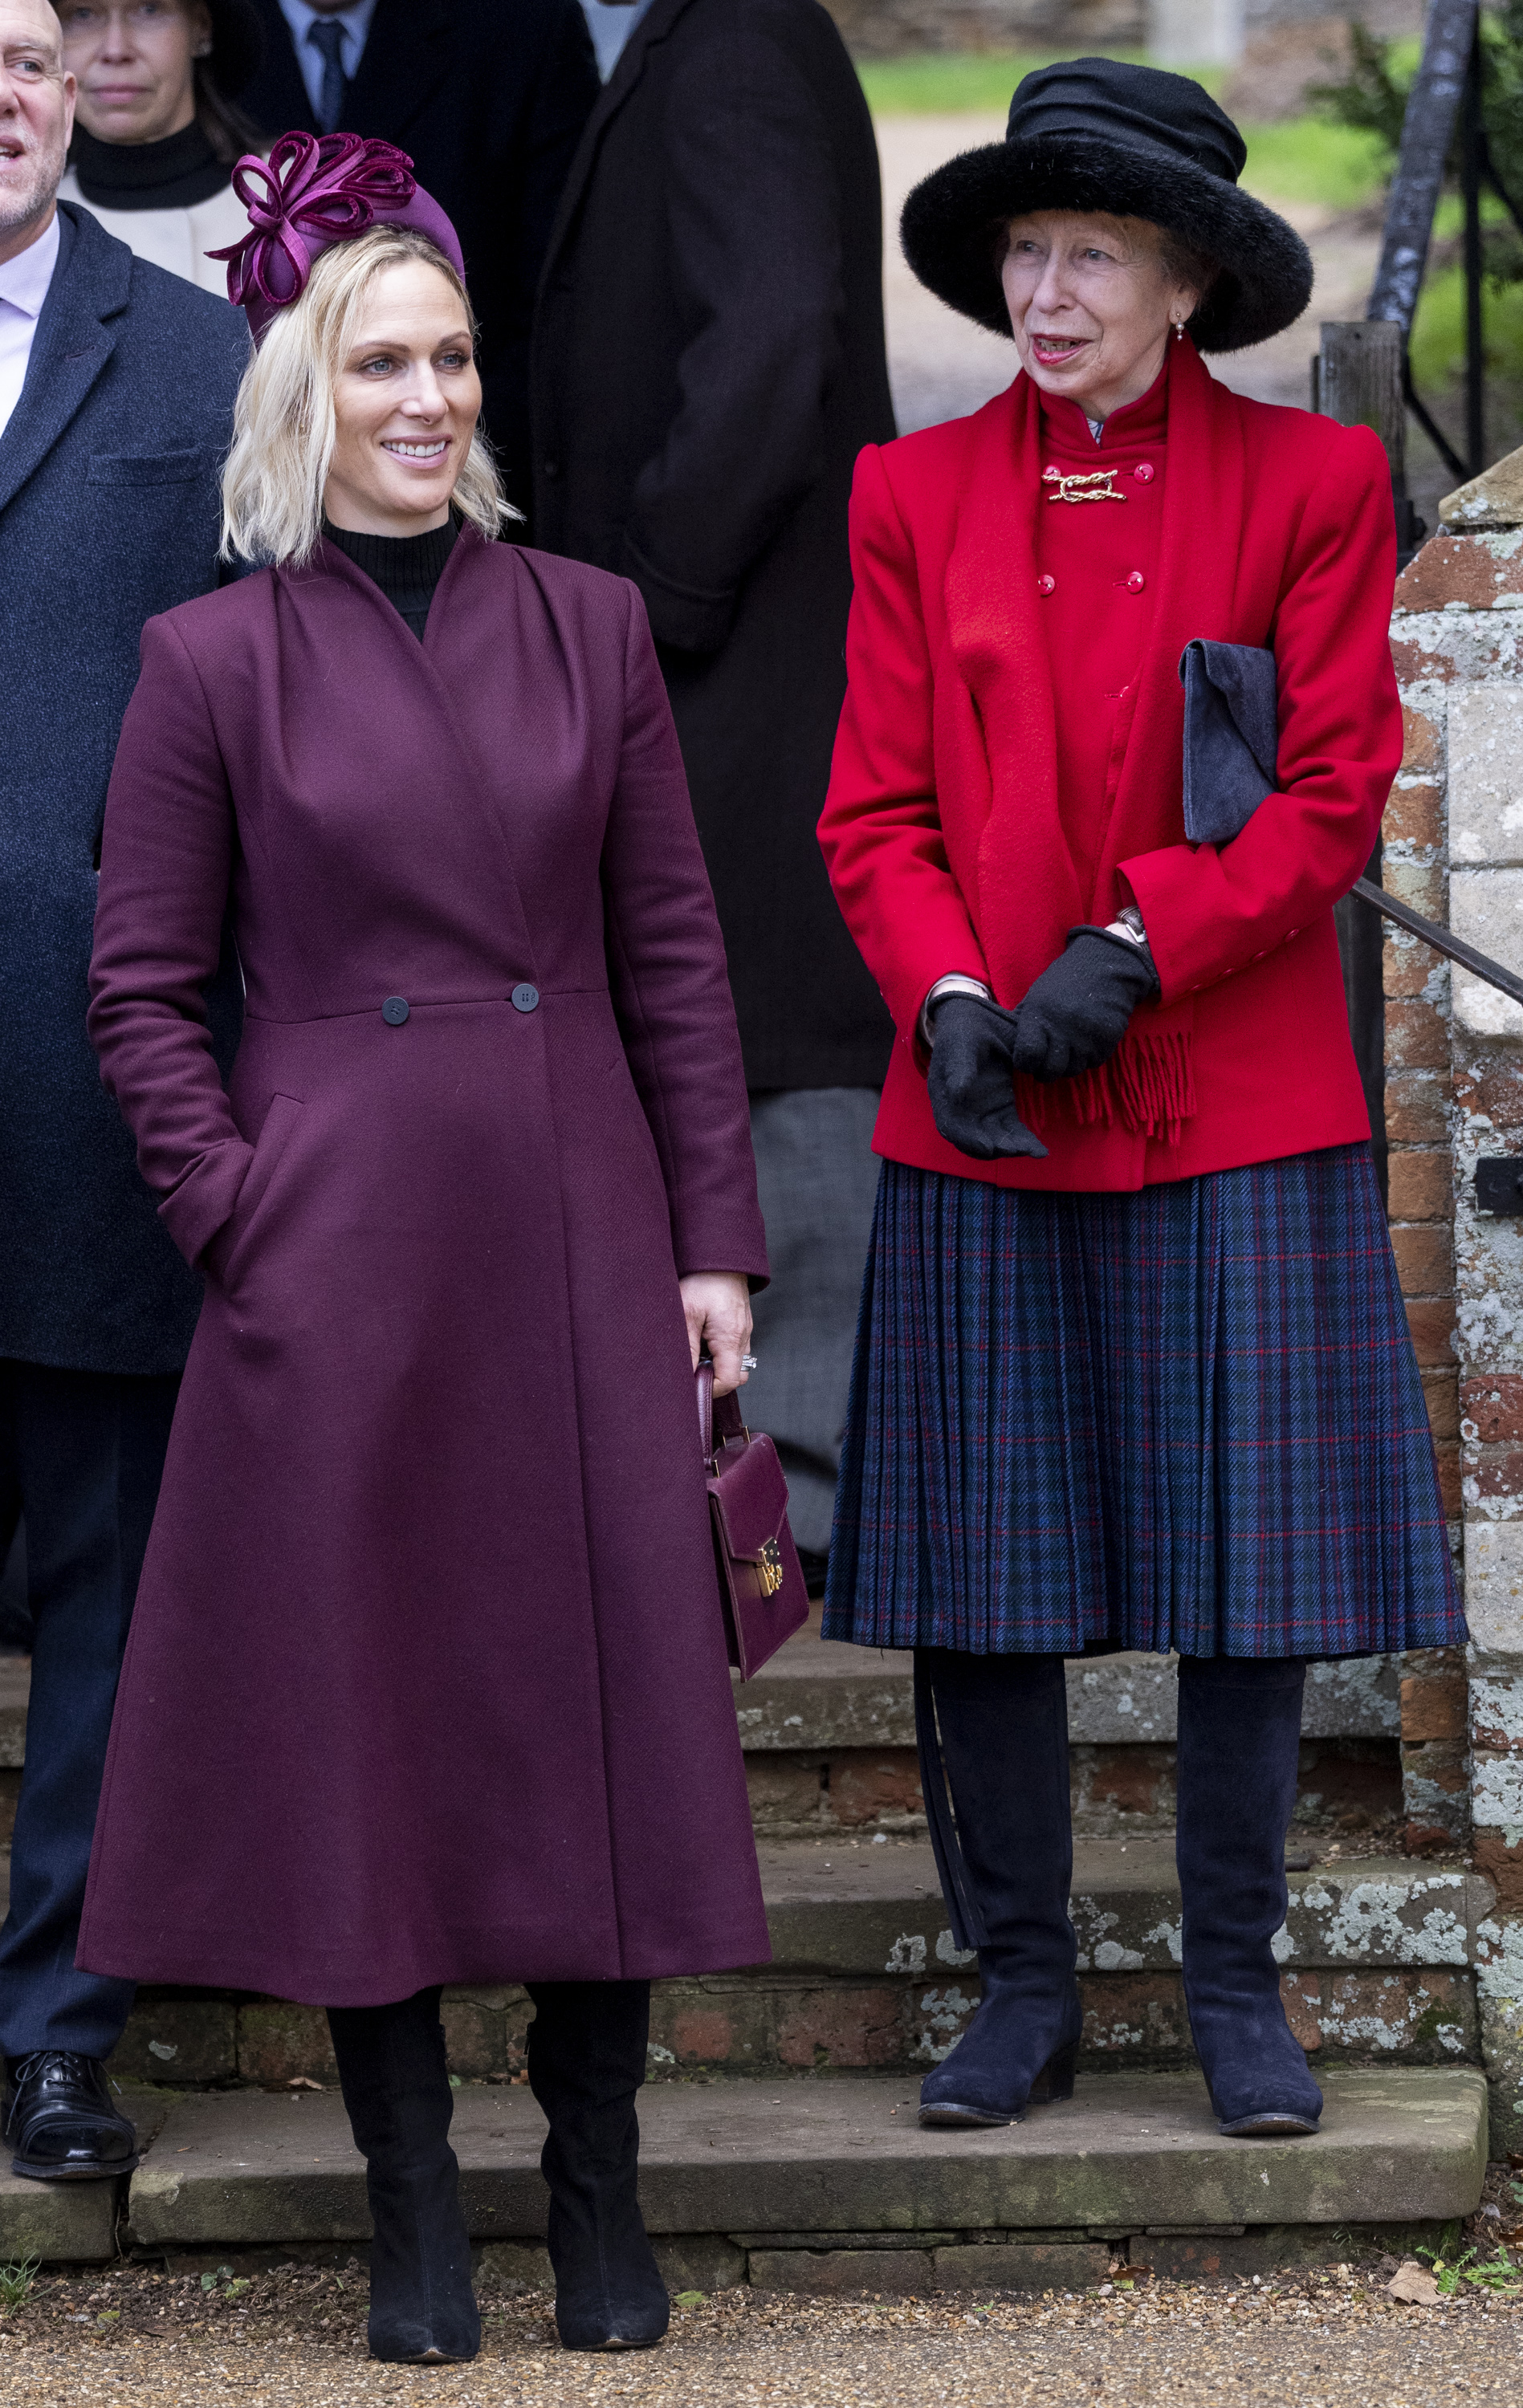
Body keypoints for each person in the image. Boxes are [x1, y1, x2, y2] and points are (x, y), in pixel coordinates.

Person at [79, 128, 769, 2362]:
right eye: (383, 358)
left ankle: (595, 2194)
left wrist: (713, 1247)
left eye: (455, 356)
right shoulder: (212, 660)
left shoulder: (586, 626)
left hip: (575, 1219)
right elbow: (138, 981)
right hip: (342, 1252)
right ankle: (414, 2222)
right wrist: (235, 1201)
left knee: (592, 1718)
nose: (429, 397)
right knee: (375, 1721)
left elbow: (672, 950)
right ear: (307, 383)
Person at [816, 58, 1467, 2142]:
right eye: (1023, 246)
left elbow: (1329, 785)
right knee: (981, 1590)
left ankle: (1231, 1993)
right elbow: (876, 805)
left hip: (1233, 1106)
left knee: (1244, 1578)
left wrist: (1135, 946)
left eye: (1090, 247)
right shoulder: (907, 498)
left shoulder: (1310, 487)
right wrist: (945, 993)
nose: (1048, 285)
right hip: (984, 1111)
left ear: (1184, 275)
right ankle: (1018, 1992)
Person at [532, 0, 897, 1579]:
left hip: (747, 683)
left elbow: (767, 342)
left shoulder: (738, 35)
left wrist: (648, 600)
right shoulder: (681, 42)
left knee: (777, 1057)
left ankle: (803, 1540)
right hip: (719, 684)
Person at [0, 0, 245, 2184]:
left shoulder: (192, 367)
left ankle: (62, 2025)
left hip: (93, 1090)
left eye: (21, 51)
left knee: (110, 1592)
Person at [238, 0, 598, 508]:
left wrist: (439, 455)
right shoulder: (199, 32)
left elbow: (563, 295)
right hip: (257, 493)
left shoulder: (524, 25)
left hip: (474, 481)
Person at [54, 2, 265, 291]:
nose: (116, 50)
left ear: (201, 27)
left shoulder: (301, 202)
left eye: (148, 9)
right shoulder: (23, 228)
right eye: (83, 14)